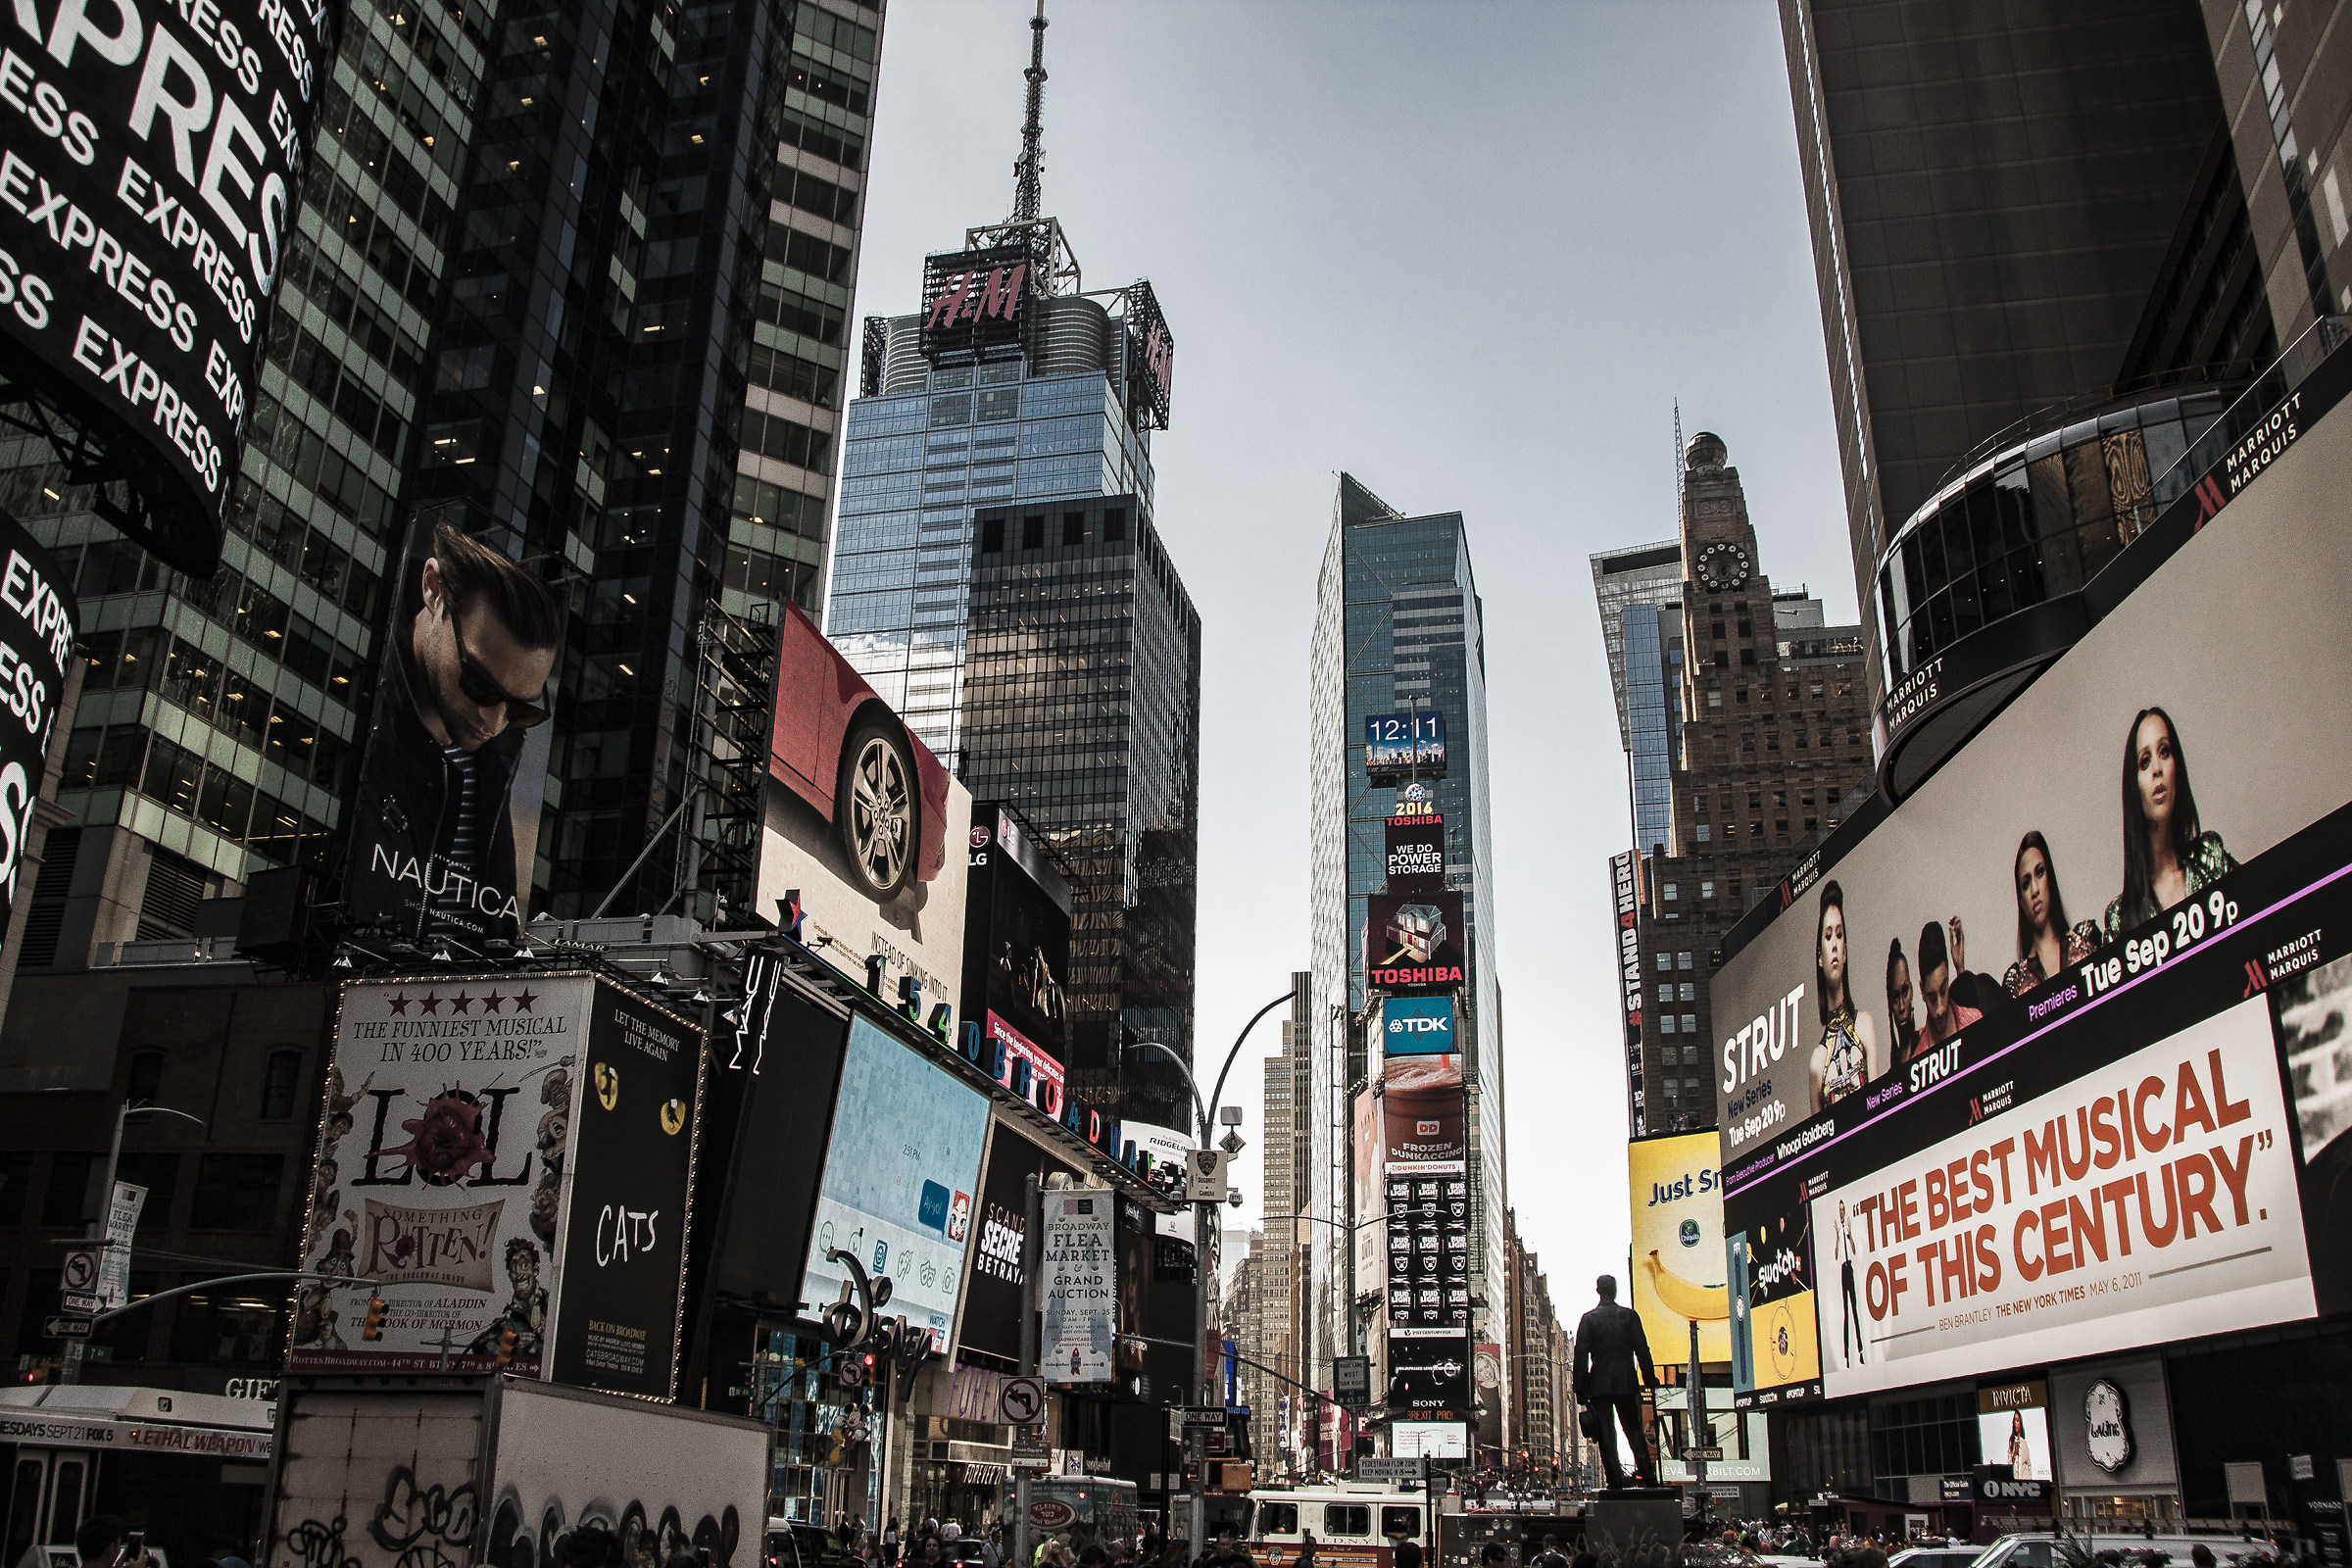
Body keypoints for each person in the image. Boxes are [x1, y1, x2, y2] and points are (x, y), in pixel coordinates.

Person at [348, 519, 564, 946]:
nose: (494, 721)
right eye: (480, 684)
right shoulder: (363, 710)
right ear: (434, 590)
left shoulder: (496, 761)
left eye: (520, 707)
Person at [2106, 707, 2234, 942]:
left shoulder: (2211, 861)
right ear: (2133, 787)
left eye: (2164, 752)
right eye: (2145, 762)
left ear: (2177, 766)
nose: (2157, 769)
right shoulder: (2119, 919)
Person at [1572, 1272, 1656, 1488]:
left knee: (1606, 1433)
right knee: (1633, 1429)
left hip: (1599, 1385)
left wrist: (1580, 1388)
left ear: (1598, 1290)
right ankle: (1648, 1476)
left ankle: (1614, 1480)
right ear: (1615, 1290)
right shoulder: (1629, 1316)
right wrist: (1649, 1377)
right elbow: (1642, 1350)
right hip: (1626, 1382)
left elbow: (1581, 1356)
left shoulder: (1589, 1319)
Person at [2003, 832, 2105, 996]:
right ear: (2021, 901)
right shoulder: (2016, 982)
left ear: (2050, 877)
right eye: (2025, 883)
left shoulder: (2086, 939)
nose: (2034, 890)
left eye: (2040, 872)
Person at [1807, 882, 1879, 1112]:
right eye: (1828, 936)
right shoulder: (1817, 1063)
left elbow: (1882, 1106)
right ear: (1819, 956)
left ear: (1846, 950)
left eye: (1839, 935)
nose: (1835, 945)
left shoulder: (1864, 1025)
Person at [1916, 919, 1981, 1051]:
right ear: (1922, 991)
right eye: (1932, 998)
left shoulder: (1976, 1021)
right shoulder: (1918, 1060)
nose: (1940, 1009)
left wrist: (1960, 968)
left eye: (1943, 991)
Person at [1885, 940, 1922, 1065]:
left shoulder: (1927, 1042)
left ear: (1912, 989)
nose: (1901, 1006)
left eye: (1905, 991)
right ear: (1889, 1003)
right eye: (1895, 998)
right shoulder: (1892, 1075)